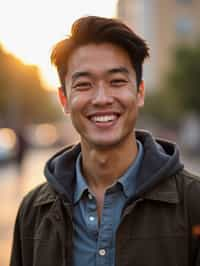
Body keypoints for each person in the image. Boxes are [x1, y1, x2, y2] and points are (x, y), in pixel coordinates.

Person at [10, 16, 200, 266]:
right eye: (84, 84)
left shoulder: (193, 202)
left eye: (117, 81)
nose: (101, 98)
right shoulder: (33, 211)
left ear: (139, 92)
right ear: (64, 99)